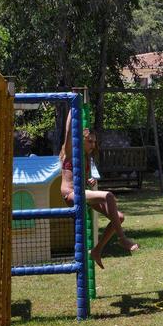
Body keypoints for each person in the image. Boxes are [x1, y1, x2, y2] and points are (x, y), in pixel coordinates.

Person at [59, 110, 137, 269]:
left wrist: (89, 180)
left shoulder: (87, 159)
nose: (93, 144)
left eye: (94, 142)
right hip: (71, 194)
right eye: (90, 141)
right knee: (108, 195)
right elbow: (68, 133)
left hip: (83, 193)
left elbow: (81, 179)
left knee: (119, 217)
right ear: (81, 141)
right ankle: (122, 239)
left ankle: (97, 250)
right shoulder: (69, 154)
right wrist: (71, 109)